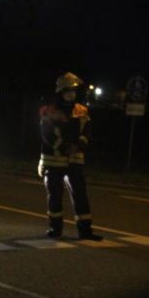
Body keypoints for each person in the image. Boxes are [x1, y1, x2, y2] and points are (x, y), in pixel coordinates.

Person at [37, 72, 103, 241]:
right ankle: (55, 228)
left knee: (81, 195)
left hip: (75, 160)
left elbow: (86, 132)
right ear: (60, 92)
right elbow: (47, 134)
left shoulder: (82, 110)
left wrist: (78, 146)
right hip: (54, 160)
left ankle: (85, 230)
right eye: (67, 91)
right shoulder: (49, 111)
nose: (70, 94)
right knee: (55, 196)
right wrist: (64, 147)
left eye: (72, 90)